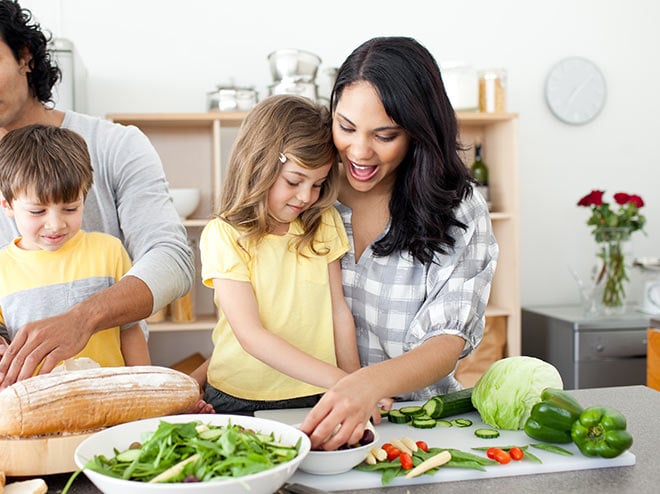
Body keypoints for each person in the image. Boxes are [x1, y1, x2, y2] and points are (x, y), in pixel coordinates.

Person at [0, 0, 193, 387]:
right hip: (21, 394)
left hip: (110, 387)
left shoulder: (117, 145)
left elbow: (172, 260)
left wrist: (83, 319)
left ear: (24, 57)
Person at [300, 37, 499, 449]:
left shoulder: (458, 209)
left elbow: (446, 342)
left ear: (418, 131)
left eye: (384, 135)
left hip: (420, 427)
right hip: (308, 421)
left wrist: (366, 385)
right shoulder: (307, 192)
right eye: (346, 127)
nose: (359, 151)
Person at [199, 95, 362, 414]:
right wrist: (342, 381)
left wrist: (356, 382)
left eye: (317, 184)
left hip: (317, 392)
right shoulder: (225, 235)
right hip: (240, 397)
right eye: (294, 181)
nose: (306, 197)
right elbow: (251, 336)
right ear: (258, 165)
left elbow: (338, 311)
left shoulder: (322, 221)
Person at [0, 124, 147, 369]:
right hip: (36, 403)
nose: (55, 225)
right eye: (37, 211)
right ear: (6, 203)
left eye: (70, 208)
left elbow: (130, 331)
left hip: (109, 399)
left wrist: (145, 390)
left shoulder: (109, 252)